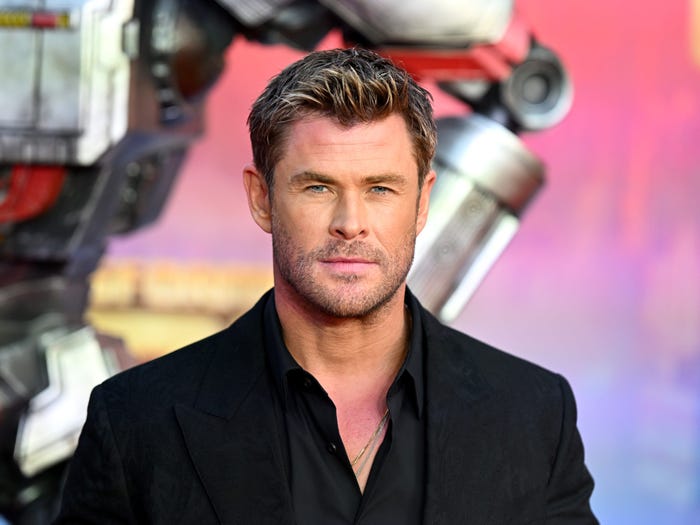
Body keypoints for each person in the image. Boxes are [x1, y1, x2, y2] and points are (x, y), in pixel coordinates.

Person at [55, 48, 597, 524]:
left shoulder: (532, 415)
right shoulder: (136, 421)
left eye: (380, 189)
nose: (350, 223)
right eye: (318, 187)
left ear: (422, 203)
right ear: (262, 199)